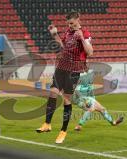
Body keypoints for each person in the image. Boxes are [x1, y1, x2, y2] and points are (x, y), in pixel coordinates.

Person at [36, 11, 93, 144]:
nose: (70, 25)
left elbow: (90, 52)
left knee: (67, 100)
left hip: (74, 69)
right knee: (53, 93)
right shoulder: (68, 32)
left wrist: (82, 39)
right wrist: (55, 34)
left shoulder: (85, 33)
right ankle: (47, 124)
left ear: (78, 19)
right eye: (68, 23)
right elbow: (62, 47)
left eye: (72, 23)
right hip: (62, 66)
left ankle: (63, 131)